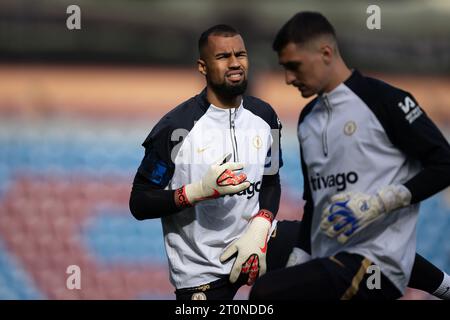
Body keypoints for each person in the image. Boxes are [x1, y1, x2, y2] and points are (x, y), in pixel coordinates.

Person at [250, 11, 450, 300]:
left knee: (267, 293)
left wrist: (380, 202)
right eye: (284, 68)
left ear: (326, 53)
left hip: (376, 264)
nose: (288, 78)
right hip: (328, 263)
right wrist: (298, 261)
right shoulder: (307, 121)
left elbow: (444, 164)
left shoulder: (384, 100)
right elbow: (313, 207)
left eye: (294, 66)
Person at [129, 24, 295, 300]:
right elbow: (139, 202)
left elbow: (270, 180)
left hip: (257, 244)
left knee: (327, 246)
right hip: (203, 272)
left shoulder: (265, 116)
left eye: (240, 55)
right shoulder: (174, 129)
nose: (234, 64)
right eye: (222, 57)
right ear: (202, 67)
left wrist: (261, 226)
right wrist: (198, 192)